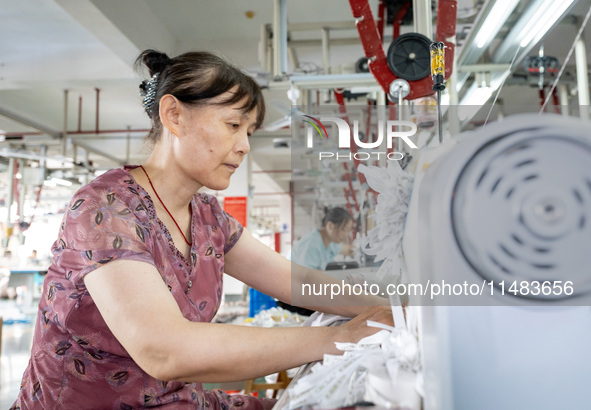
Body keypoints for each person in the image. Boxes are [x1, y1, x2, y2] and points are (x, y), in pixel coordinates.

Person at [12, 49, 392, 409]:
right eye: (232, 125)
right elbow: (165, 350)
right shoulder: (105, 209)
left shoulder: (209, 218)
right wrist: (341, 338)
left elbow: (297, 281)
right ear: (174, 115)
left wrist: (398, 307)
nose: (244, 146)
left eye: (250, 132)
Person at [291, 207, 355, 271]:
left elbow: (348, 249)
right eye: (344, 229)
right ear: (330, 226)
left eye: (348, 231)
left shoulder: (330, 242)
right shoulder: (312, 244)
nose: (346, 235)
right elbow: (304, 277)